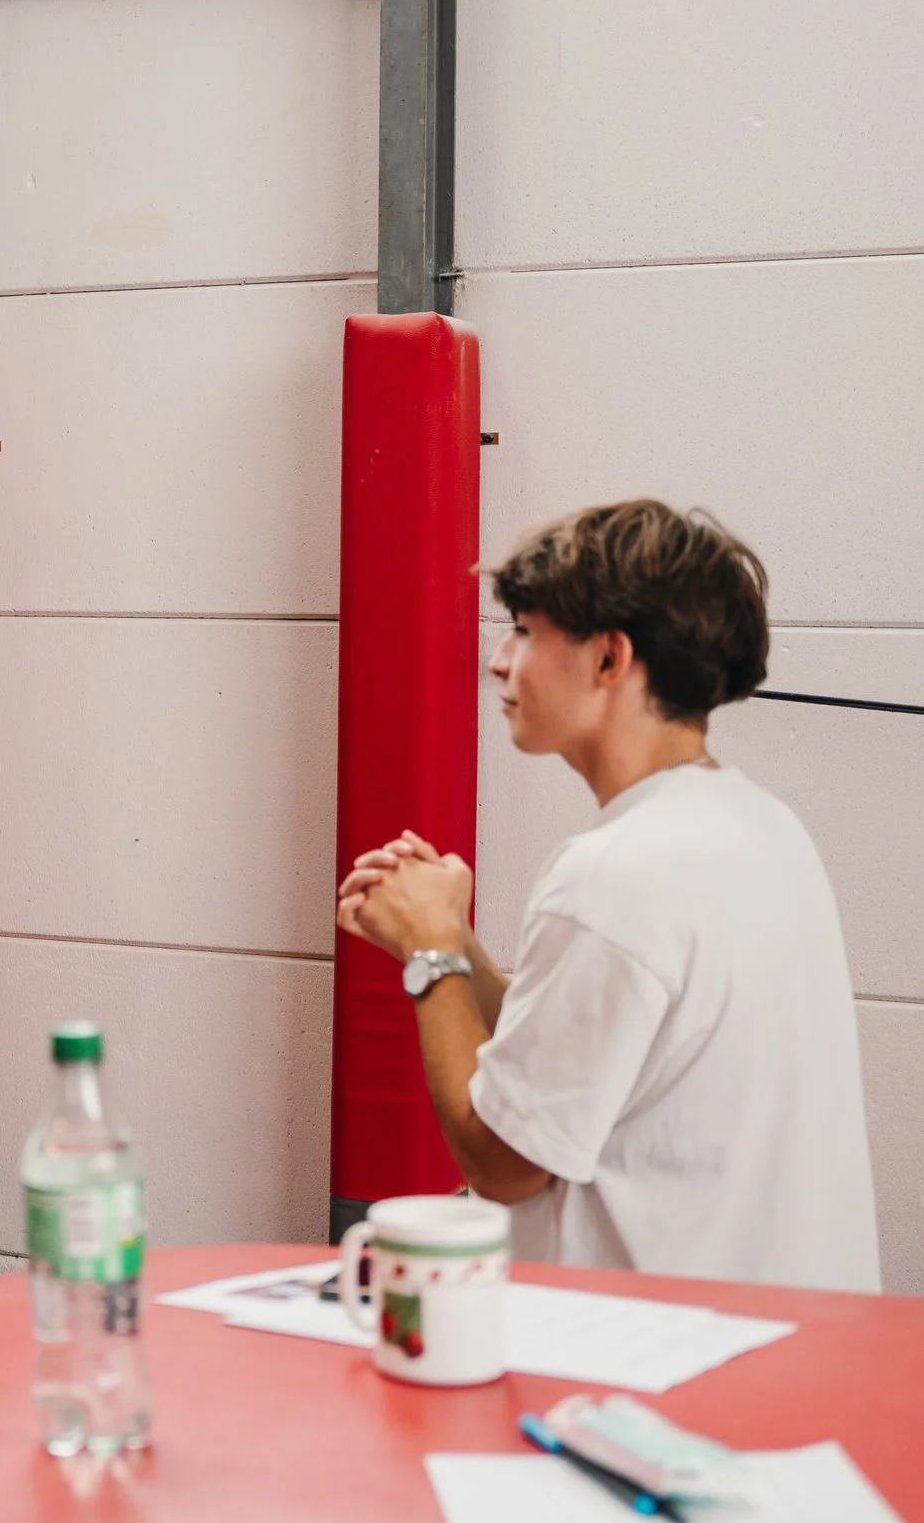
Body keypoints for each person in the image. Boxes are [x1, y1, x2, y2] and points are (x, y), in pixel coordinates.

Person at [335, 500, 880, 1289]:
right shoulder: (763, 827)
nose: (498, 659)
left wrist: (430, 956)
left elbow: (503, 1164)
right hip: (779, 1340)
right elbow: (582, 1041)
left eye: (523, 629)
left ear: (608, 660)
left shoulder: (616, 870)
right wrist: (448, 933)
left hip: (665, 1358)